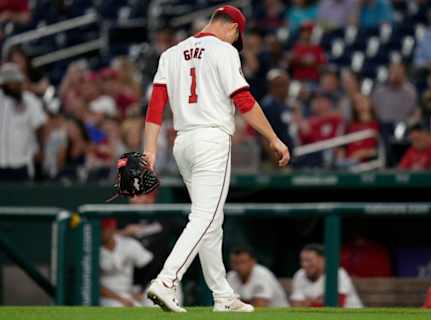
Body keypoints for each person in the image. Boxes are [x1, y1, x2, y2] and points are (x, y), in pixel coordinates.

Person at [142, 5, 290, 313]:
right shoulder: (224, 51)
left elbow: (156, 107)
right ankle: (167, 281)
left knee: (212, 221)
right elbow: (244, 101)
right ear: (233, 29)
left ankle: (222, 295)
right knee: (205, 217)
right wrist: (273, 137)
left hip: (183, 143)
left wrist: (150, 150)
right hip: (211, 139)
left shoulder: (170, 53)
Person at [0, 63, 47, 181]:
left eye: (14, 80)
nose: (12, 84)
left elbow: (40, 126)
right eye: (8, 81)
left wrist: (41, 149)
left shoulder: (29, 101)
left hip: (22, 162)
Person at [100, 218, 154, 307]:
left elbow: (149, 265)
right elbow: (95, 286)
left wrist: (141, 290)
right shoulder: (91, 249)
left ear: (112, 228)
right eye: (101, 229)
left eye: (105, 229)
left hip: (128, 293)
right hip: (107, 297)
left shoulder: (127, 244)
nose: (102, 232)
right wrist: (120, 299)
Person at [290, 244, 363, 308]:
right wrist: (319, 301)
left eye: (309, 260)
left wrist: (309, 302)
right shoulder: (300, 274)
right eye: (302, 260)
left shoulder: (337, 273)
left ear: (323, 260)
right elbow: (296, 304)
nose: (304, 264)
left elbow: (337, 304)